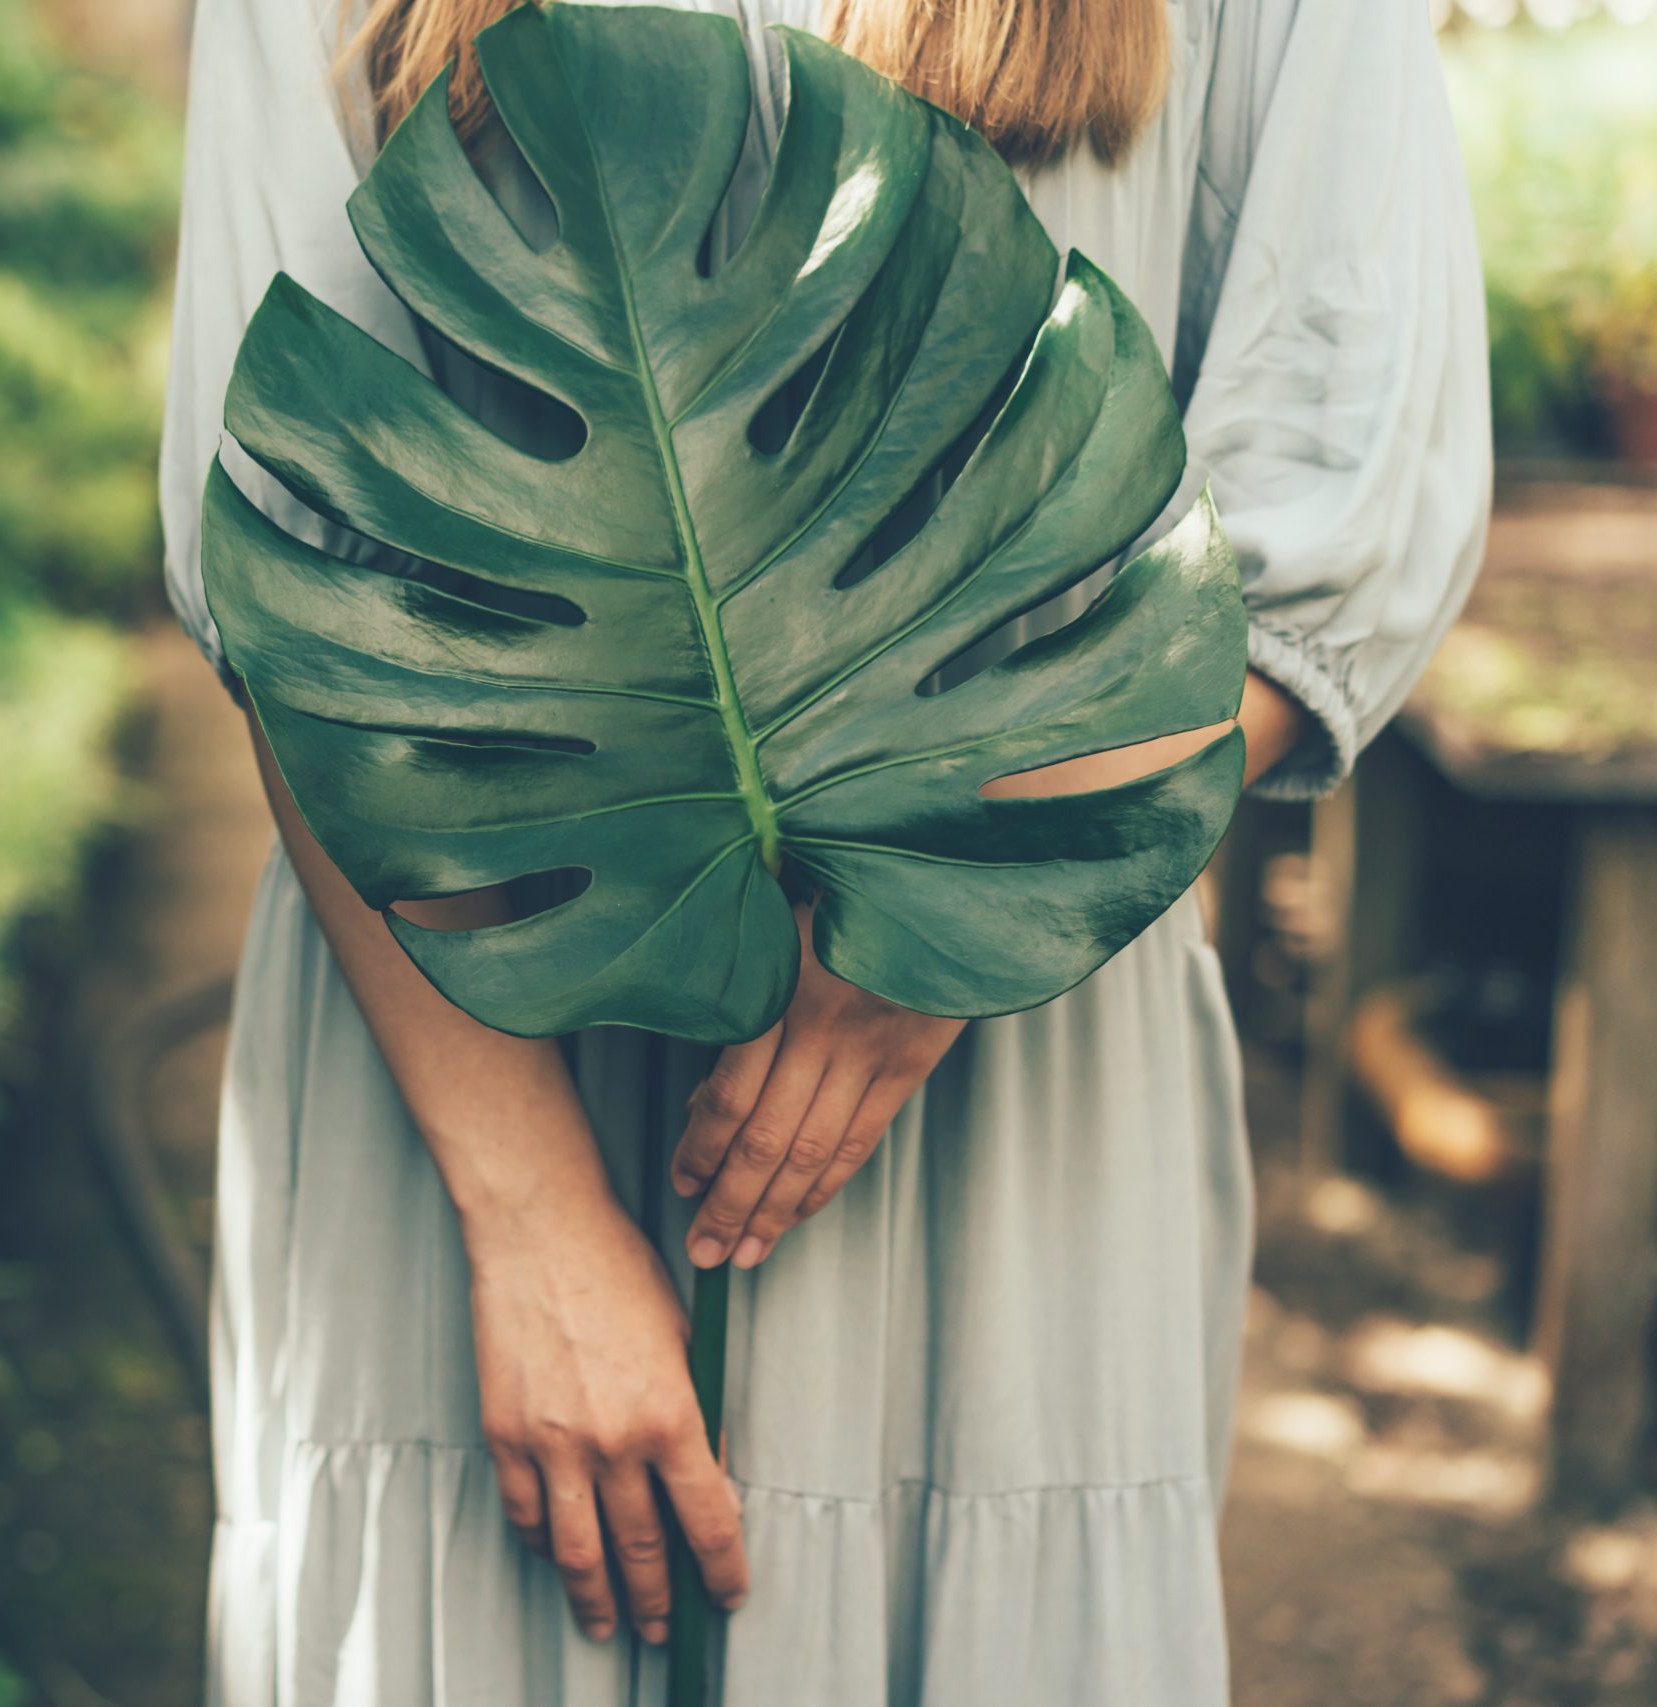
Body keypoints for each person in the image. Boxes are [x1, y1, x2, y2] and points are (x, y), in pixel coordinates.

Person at [157, 0, 1489, 1700]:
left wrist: (936, 937)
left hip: (1003, 1105)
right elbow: (299, 557)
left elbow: (1327, 506)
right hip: (462, 1053)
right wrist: (533, 1217)